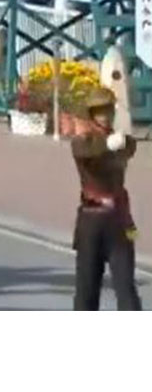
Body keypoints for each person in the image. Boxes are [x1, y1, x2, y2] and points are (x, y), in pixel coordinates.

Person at [72, 86, 141, 311]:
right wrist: (107, 143)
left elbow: (131, 146)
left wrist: (120, 140)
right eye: (99, 110)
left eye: (108, 109)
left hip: (119, 219)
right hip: (92, 220)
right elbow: (84, 151)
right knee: (87, 290)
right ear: (91, 113)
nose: (104, 114)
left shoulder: (119, 139)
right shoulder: (84, 140)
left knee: (126, 287)